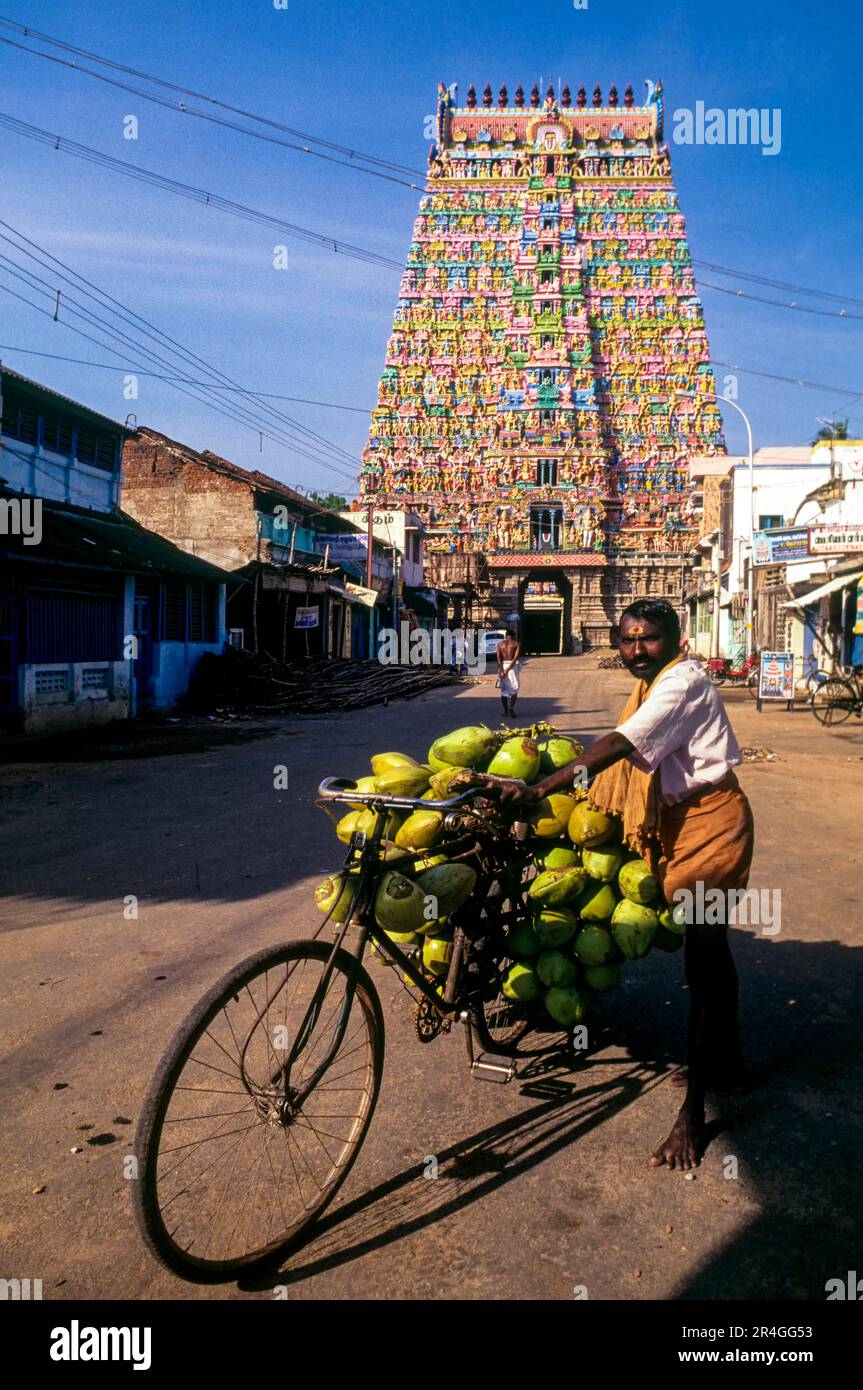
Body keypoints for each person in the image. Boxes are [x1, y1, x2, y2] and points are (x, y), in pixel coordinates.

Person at [484, 598, 755, 1171]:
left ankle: (694, 1114)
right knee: (712, 953)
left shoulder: (680, 683)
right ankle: (725, 1061)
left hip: (710, 826)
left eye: (648, 638)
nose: (636, 649)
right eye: (627, 639)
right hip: (678, 822)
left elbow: (620, 746)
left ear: (676, 639)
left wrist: (543, 787)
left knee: (703, 965)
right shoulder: (657, 680)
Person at [496, 629, 522, 718]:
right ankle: (511, 707)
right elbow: (515, 658)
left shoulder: (499, 644)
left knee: (504, 691)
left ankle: (506, 711)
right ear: (513, 635)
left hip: (502, 666)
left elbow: (498, 658)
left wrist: (501, 670)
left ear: (506, 635)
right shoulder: (516, 644)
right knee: (514, 689)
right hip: (512, 667)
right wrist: (507, 670)